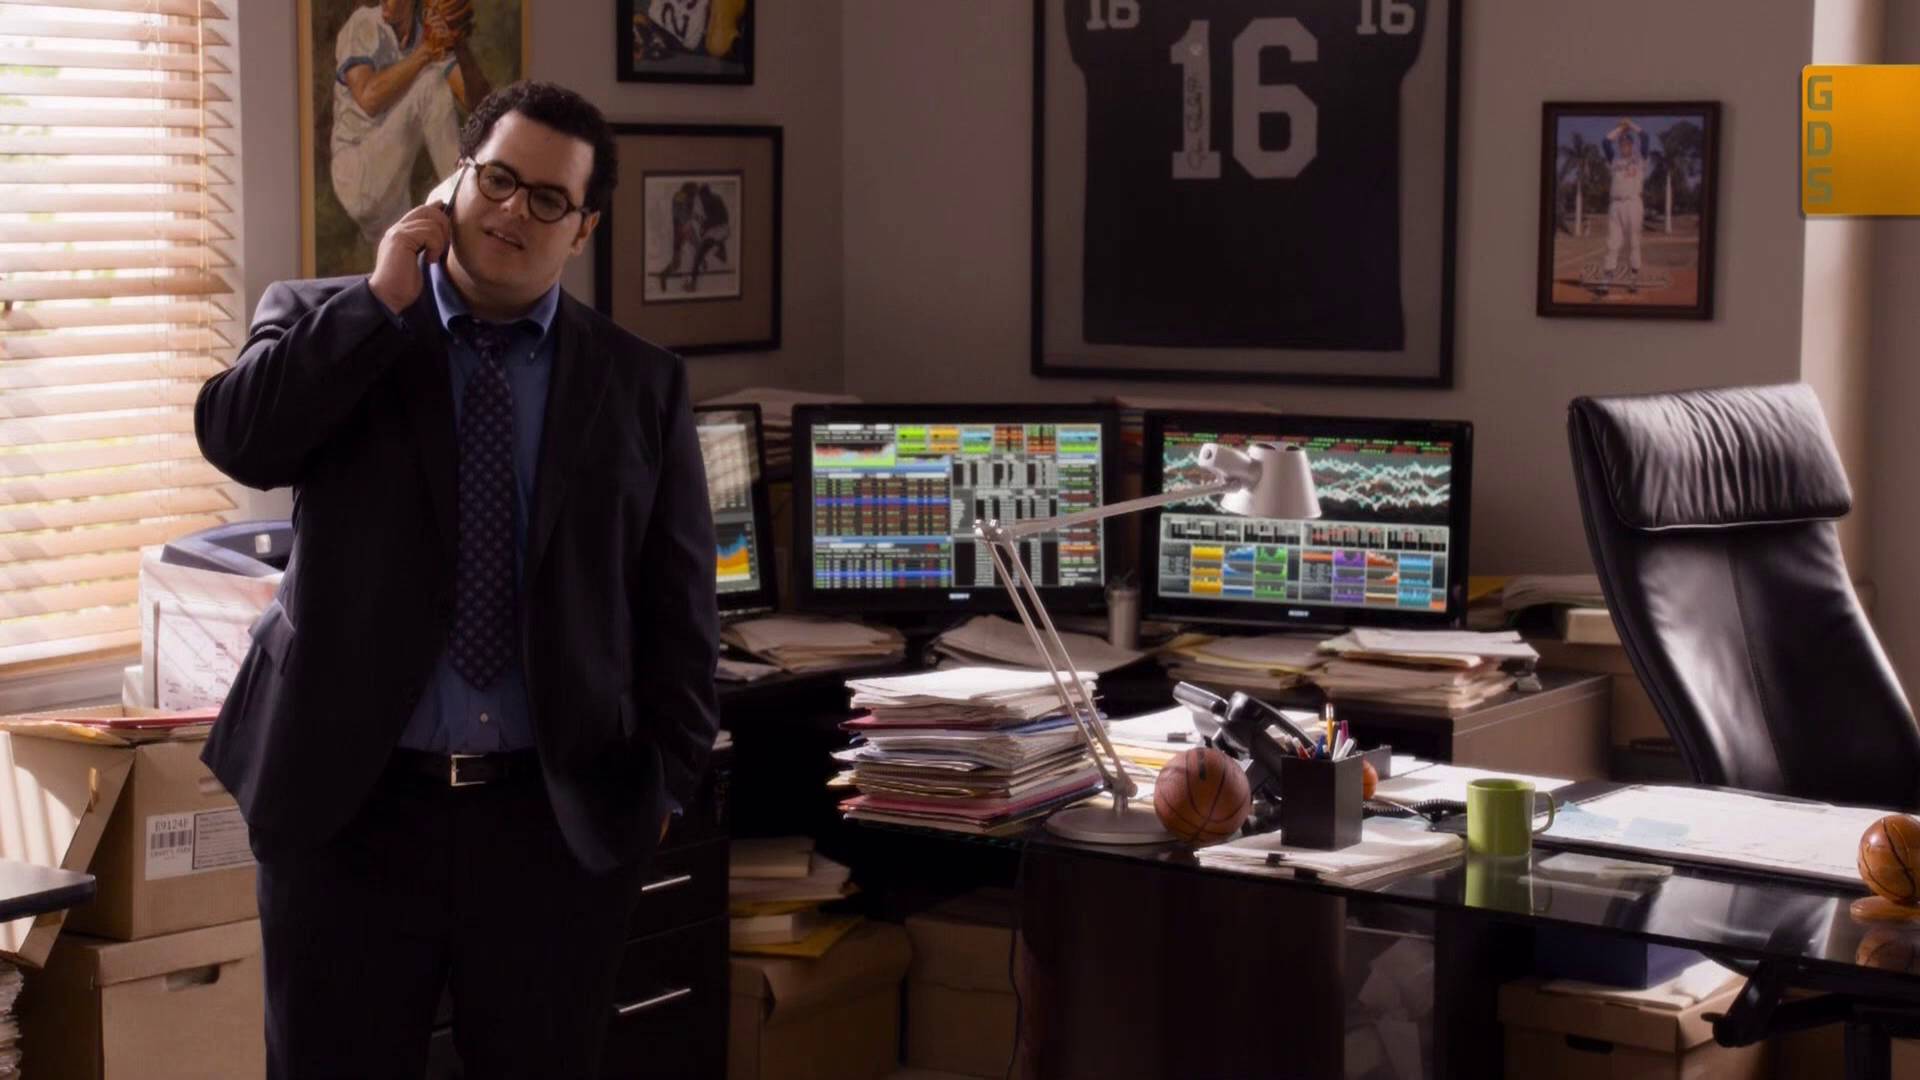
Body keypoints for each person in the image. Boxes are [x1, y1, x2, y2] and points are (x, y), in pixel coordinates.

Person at [196, 80, 719, 1077]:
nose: (515, 211)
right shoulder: (330, 319)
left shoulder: (639, 382)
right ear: (456, 180)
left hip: (550, 828)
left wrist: (664, 781)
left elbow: (679, 607)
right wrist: (380, 298)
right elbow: (238, 439)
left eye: (549, 199)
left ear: (584, 228)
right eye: (499, 179)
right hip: (349, 813)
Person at [331, 0, 493, 244]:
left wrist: (458, 43)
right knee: (431, 84)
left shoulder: (426, 35)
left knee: (400, 262)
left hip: (391, 187)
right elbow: (368, 98)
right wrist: (427, 51)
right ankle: (463, 201)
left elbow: (482, 105)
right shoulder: (364, 23)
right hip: (356, 171)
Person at [1601, 118, 1651, 290]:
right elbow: (1605, 142)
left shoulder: (1640, 159)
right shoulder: (1614, 161)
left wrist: (1630, 125)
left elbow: (1645, 137)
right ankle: (1607, 280)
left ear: (1632, 145)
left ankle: (1633, 278)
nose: (1624, 146)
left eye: (1627, 143)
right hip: (1615, 205)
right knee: (1612, 242)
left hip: (1633, 203)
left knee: (1634, 242)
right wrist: (1620, 129)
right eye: (1621, 143)